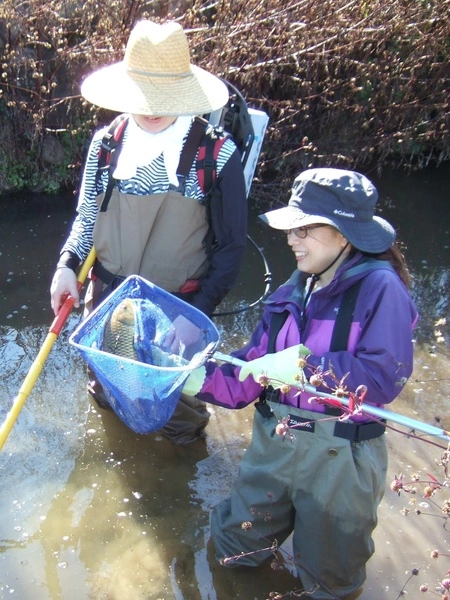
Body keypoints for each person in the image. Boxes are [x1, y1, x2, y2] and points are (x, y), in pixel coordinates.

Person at [182, 167, 418, 599]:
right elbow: (255, 368)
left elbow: (386, 376)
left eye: (305, 228)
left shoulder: (381, 289)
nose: (292, 238)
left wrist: (307, 366)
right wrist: (194, 378)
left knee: (330, 578)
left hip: (340, 457)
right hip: (275, 443)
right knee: (231, 546)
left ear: (344, 235)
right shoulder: (293, 289)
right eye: (292, 228)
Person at [50, 20, 248, 445]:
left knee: (177, 413)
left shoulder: (216, 154)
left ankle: (179, 483)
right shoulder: (106, 144)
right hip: (106, 299)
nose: (153, 107)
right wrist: (67, 266)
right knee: (108, 390)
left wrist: (197, 315)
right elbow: (87, 219)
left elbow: (231, 250)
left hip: (176, 306)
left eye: (165, 97)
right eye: (144, 96)